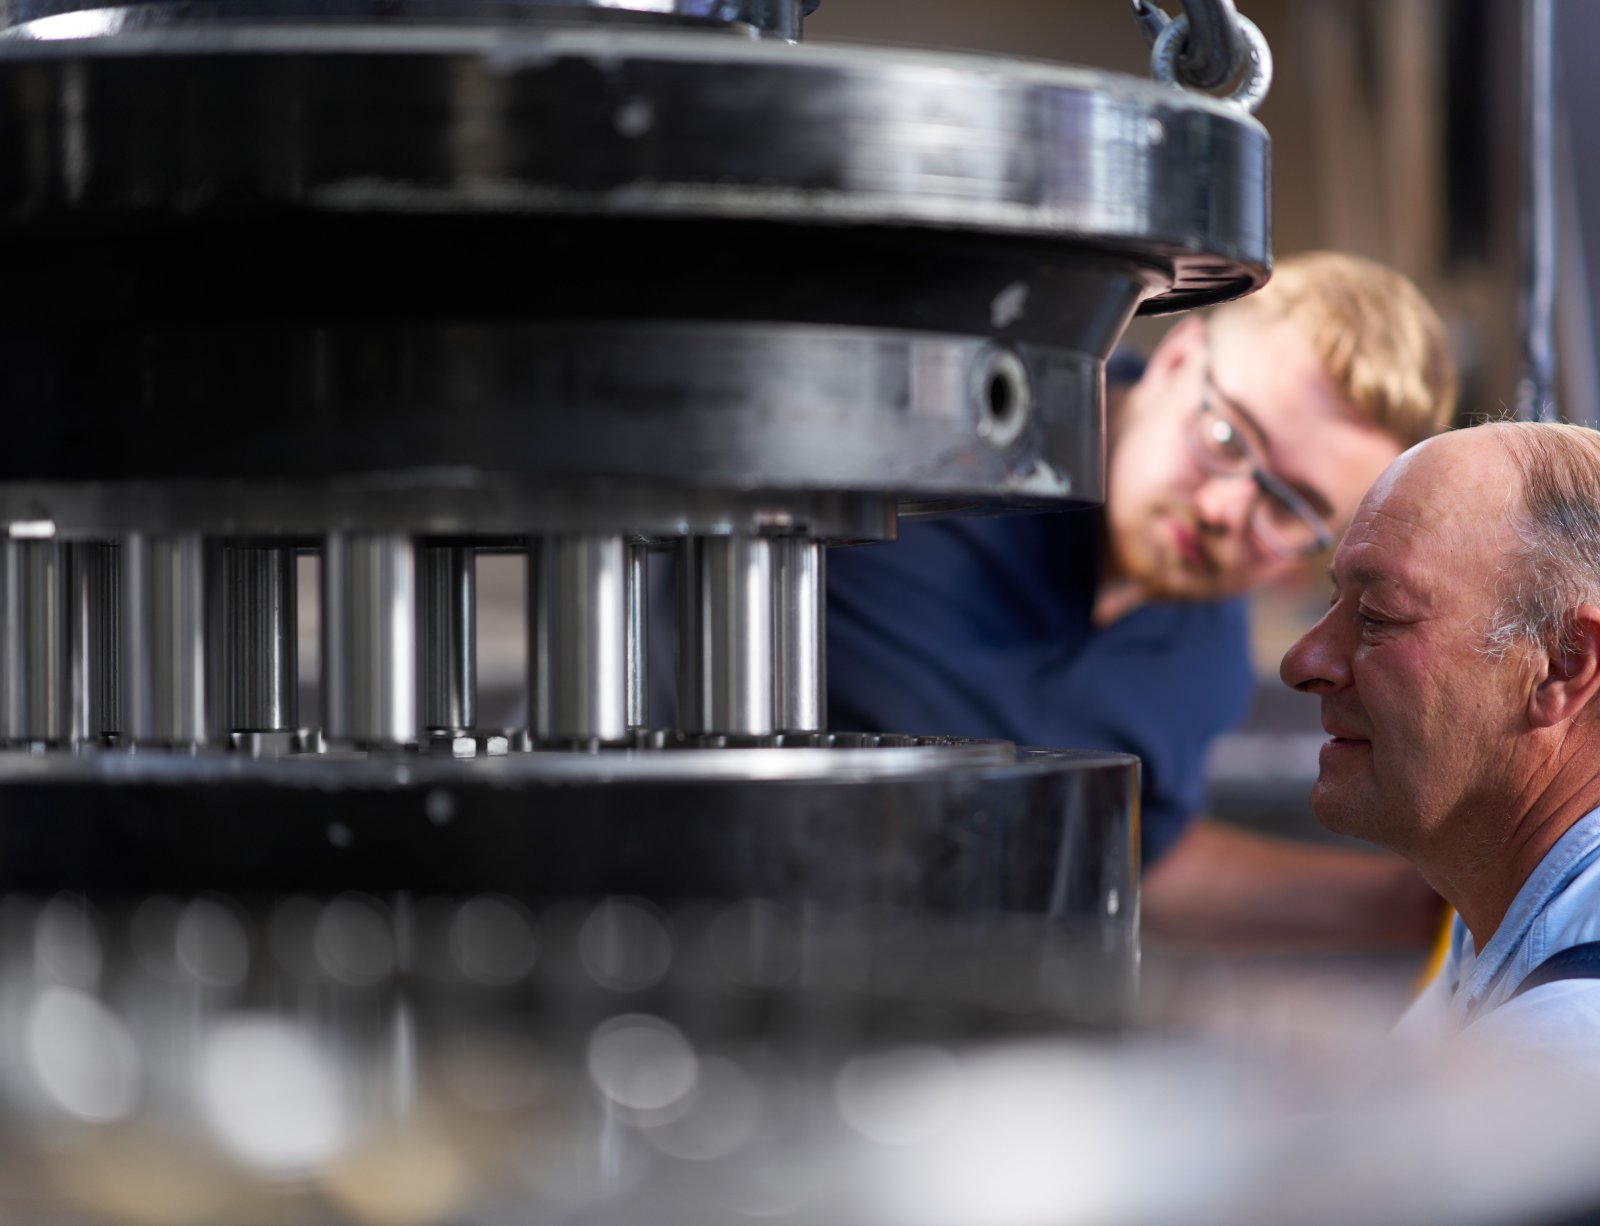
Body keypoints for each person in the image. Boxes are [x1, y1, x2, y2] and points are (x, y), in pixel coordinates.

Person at [827, 251, 1458, 946]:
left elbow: (1136, 855)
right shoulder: (936, 430)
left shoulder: (1201, 668)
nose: (1223, 508)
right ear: (1177, 359)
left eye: (1288, 507)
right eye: (1225, 438)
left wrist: (1408, 906)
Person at [1281, 422, 1600, 1053]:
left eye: (1376, 619)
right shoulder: (1496, 899)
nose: (1304, 661)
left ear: (1561, 664)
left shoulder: (1559, 1045)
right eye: (1335, 602)